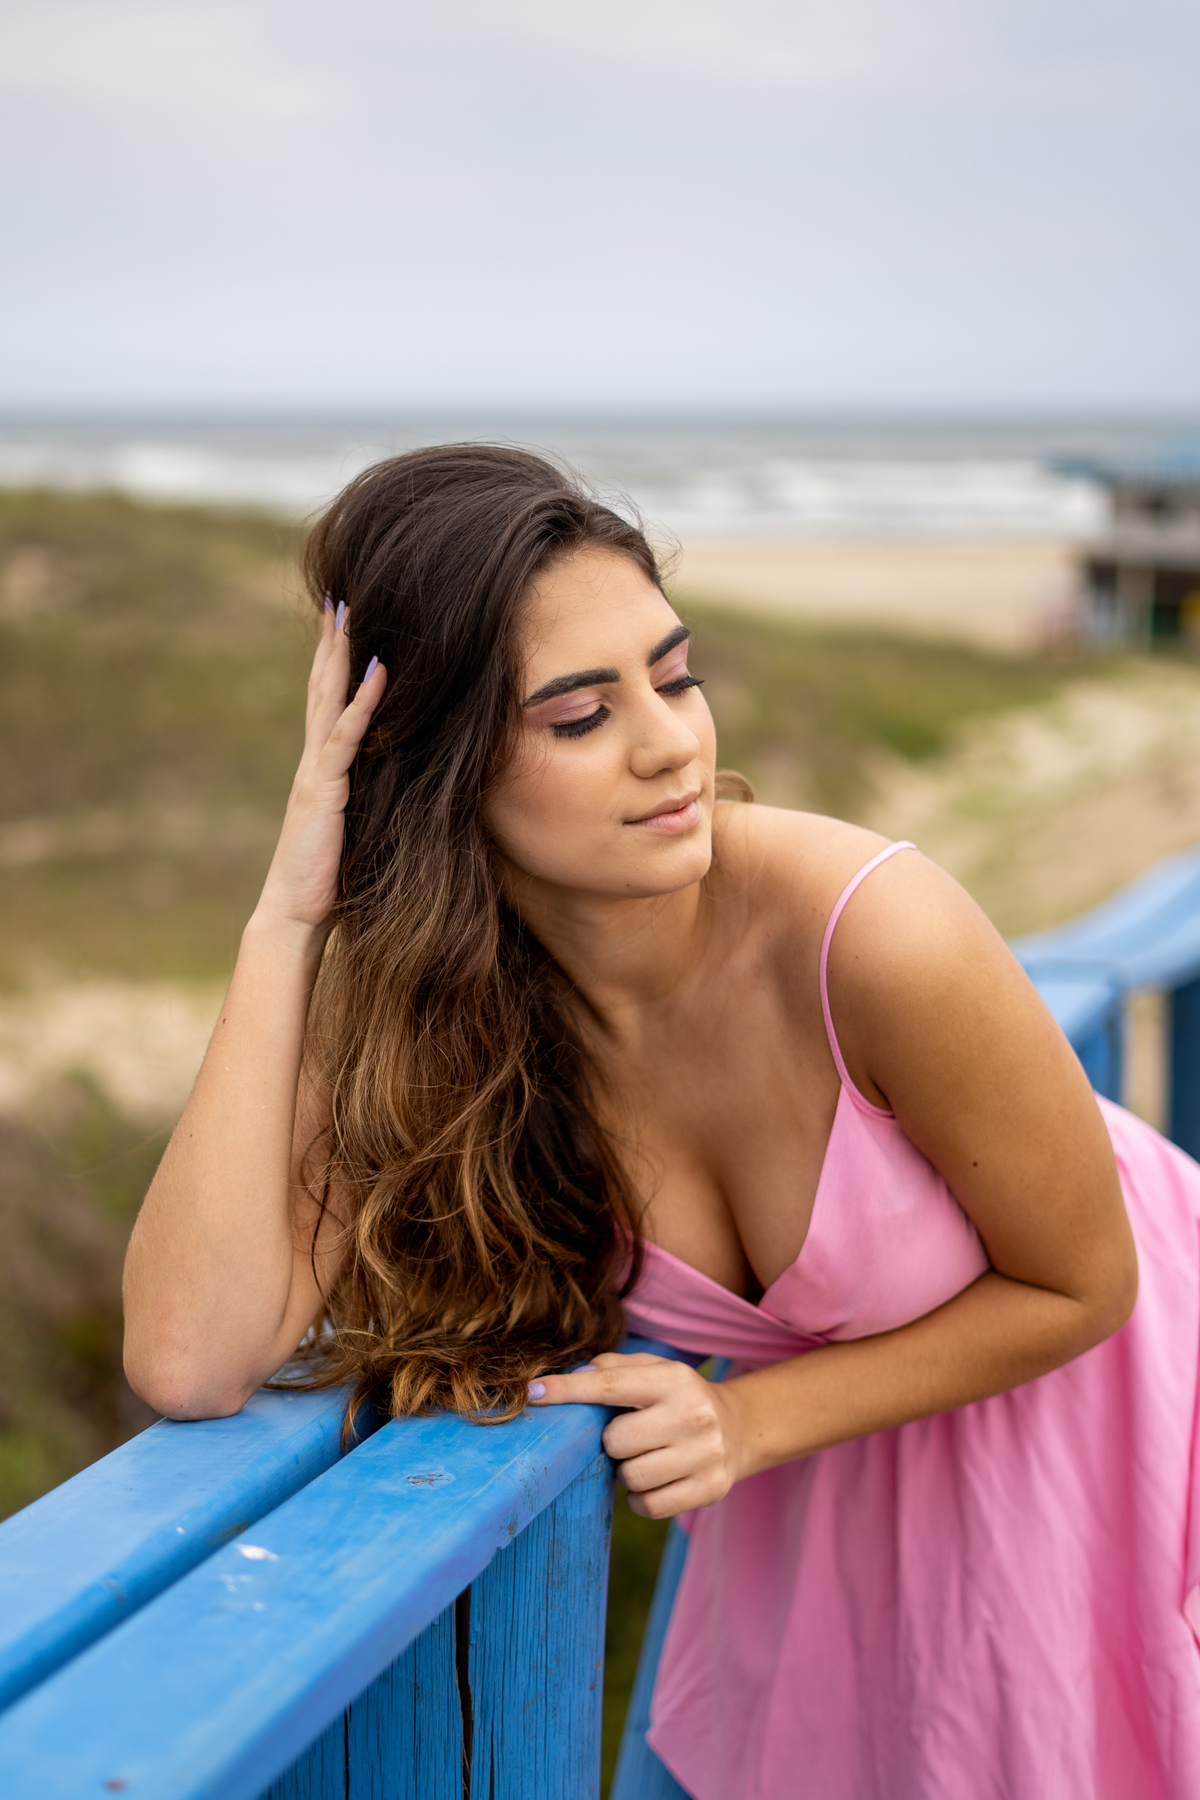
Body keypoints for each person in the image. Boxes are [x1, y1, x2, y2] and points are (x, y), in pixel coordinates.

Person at [123, 445, 1200, 1800]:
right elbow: (188, 1356)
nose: (672, 742)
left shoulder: (875, 934)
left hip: (1116, 1431)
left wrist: (748, 1425)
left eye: (674, 675)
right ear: (441, 771)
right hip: (842, 1515)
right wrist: (289, 914)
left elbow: (1090, 1279)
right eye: (579, 718)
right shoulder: (452, 1030)